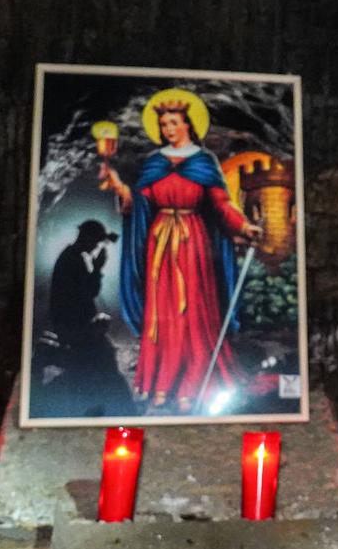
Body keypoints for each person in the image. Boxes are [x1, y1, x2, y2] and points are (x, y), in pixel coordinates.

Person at [101, 89, 260, 413]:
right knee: (163, 316)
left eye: (173, 122)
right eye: (163, 125)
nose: (167, 130)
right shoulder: (154, 163)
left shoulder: (204, 162)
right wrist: (121, 190)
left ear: (188, 124)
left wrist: (243, 226)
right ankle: (161, 382)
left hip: (193, 244)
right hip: (160, 245)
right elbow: (140, 202)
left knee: (192, 315)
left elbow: (221, 203)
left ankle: (192, 383)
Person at [32, 219, 135, 418]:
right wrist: (97, 269)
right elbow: (87, 292)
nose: (95, 247)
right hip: (76, 329)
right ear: (85, 237)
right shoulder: (72, 259)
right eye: (95, 242)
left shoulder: (74, 257)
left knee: (95, 365)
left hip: (77, 326)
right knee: (95, 366)